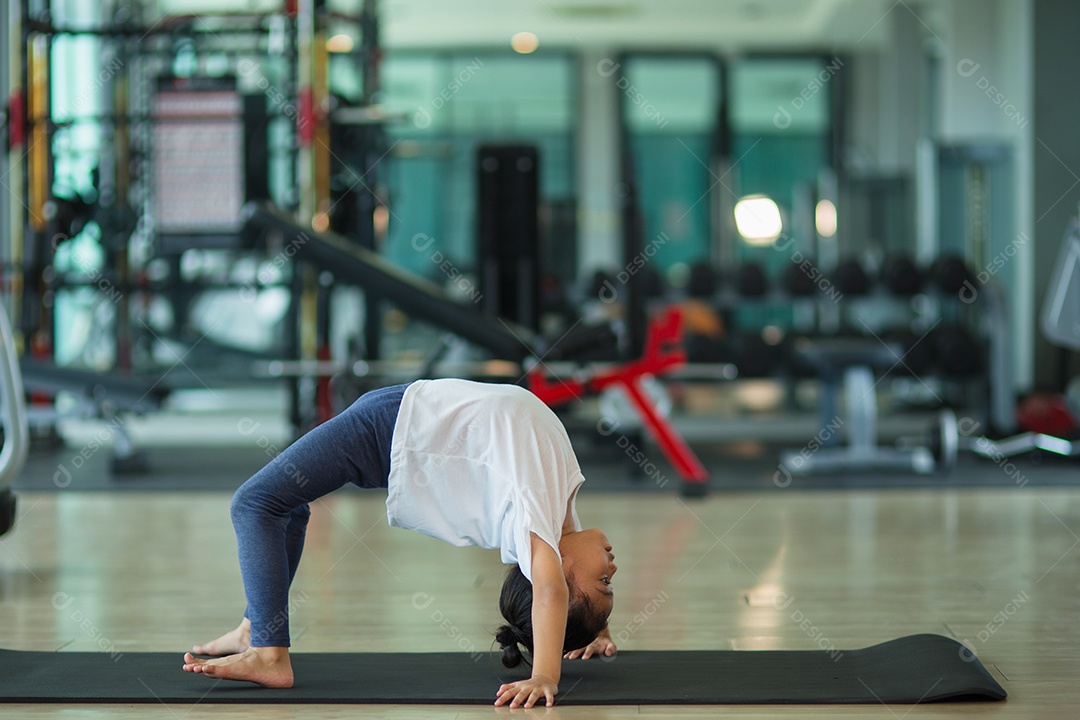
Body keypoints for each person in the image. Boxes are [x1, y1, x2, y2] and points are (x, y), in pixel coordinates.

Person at [182, 379, 618, 708]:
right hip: (396, 419)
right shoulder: (555, 516)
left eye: (603, 582)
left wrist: (545, 675)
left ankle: (268, 654)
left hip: (387, 431)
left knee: (255, 503)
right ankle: (253, 628)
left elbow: (550, 590)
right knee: (287, 505)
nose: (613, 568)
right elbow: (559, 590)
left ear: (561, 574)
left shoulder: (540, 534)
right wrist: (595, 630)